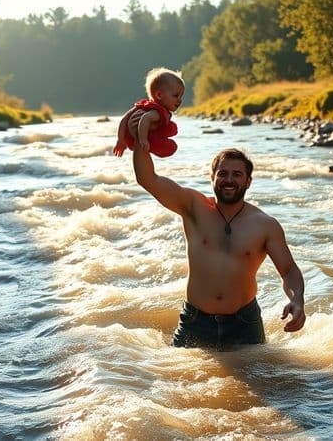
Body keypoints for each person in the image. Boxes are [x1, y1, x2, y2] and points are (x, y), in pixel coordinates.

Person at [130, 140, 306, 349]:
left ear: (248, 181)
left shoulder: (265, 225)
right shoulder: (193, 206)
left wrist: (297, 300)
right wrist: (141, 134)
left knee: (257, 381)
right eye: (222, 174)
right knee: (177, 380)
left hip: (245, 324)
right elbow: (147, 178)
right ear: (212, 178)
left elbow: (288, 270)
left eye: (237, 175)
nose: (229, 180)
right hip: (195, 322)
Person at [113, 67, 184, 158]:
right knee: (172, 144)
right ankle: (148, 144)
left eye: (181, 96)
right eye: (175, 96)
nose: (180, 100)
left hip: (133, 138)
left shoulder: (144, 105)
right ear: (159, 95)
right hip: (147, 138)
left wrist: (121, 140)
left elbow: (125, 118)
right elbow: (145, 119)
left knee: (171, 127)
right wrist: (143, 140)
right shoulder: (157, 111)